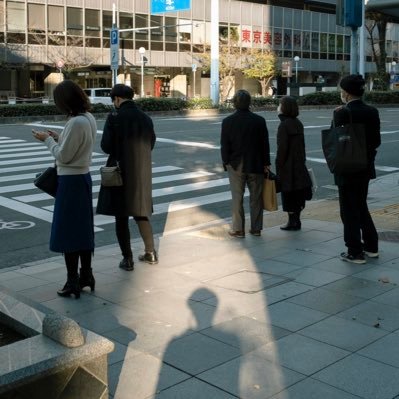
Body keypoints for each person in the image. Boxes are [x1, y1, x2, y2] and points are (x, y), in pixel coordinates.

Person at [32, 80, 97, 299]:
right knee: (83, 230)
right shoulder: (88, 118)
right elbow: (78, 146)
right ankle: (86, 275)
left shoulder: (75, 122)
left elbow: (63, 156)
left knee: (68, 232)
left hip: (70, 182)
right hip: (83, 178)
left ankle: (72, 281)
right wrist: (59, 137)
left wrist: (48, 140)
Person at [96, 84, 157, 271]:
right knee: (141, 211)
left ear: (117, 99)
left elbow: (105, 146)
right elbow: (151, 143)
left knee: (120, 217)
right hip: (141, 170)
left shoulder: (114, 117)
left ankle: (127, 259)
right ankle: (150, 252)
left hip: (119, 171)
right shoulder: (145, 117)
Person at [333, 74, 381, 264]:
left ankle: (355, 251)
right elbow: (376, 141)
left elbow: (336, 142)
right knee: (361, 205)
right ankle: (371, 246)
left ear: (345, 92)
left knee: (348, 209)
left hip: (347, 167)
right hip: (365, 167)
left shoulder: (341, 112)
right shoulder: (372, 111)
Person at [220, 89, 271, 238]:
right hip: (256, 164)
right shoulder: (259, 120)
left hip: (236, 165)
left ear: (234, 103)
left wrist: (226, 162)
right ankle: (256, 229)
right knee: (256, 198)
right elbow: (264, 144)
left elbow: (225, 145)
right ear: (250, 103)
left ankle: (238, 229)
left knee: (237, 198)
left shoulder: (228, 121)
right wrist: (266, 163)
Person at [275, 96, 312, 231]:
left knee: (288, 193)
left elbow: (282, 149)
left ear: (284, 108)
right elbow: (302, 146)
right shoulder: (297, 123)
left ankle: (292, 222)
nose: (278, 107)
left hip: (287, 166)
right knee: (297, 192)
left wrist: (279, 165)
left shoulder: (284, 125)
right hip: (298, 164)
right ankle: (297, 220)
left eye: (280, 105)